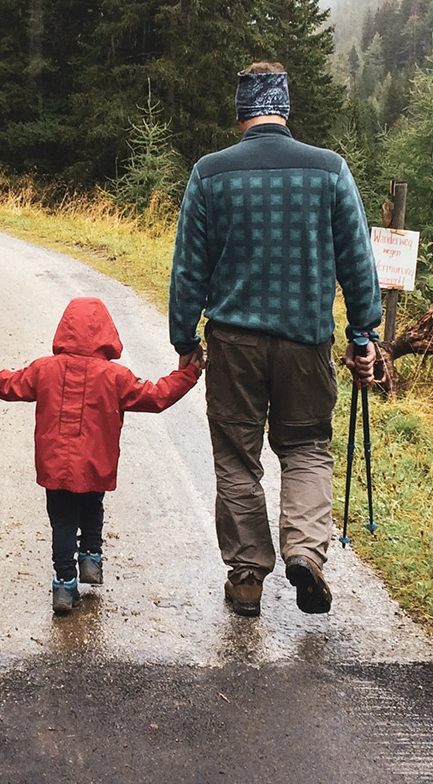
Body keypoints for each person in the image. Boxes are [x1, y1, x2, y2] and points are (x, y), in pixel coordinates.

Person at [168, 62, 382, 618]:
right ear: (284, 107)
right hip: (306, 342)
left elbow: (188, 269)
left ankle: (246, 578)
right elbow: (358, 264)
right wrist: (364, 334)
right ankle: (305, 554)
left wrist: (183, 337)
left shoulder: (210, 175)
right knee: (307, 448)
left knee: (237, 459)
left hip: (234, 345)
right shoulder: (329, 170)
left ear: (241, 111)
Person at [0, 297, 201, 615]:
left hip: (55, 466)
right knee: (92, 507)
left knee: (63, 521)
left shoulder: (45, 369)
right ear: (106, 333)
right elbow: (155, 396)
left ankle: (64, 584)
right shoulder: (116, 377)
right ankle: (91, 557)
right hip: (95, 464)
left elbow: (11, 384)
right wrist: (189, 374)